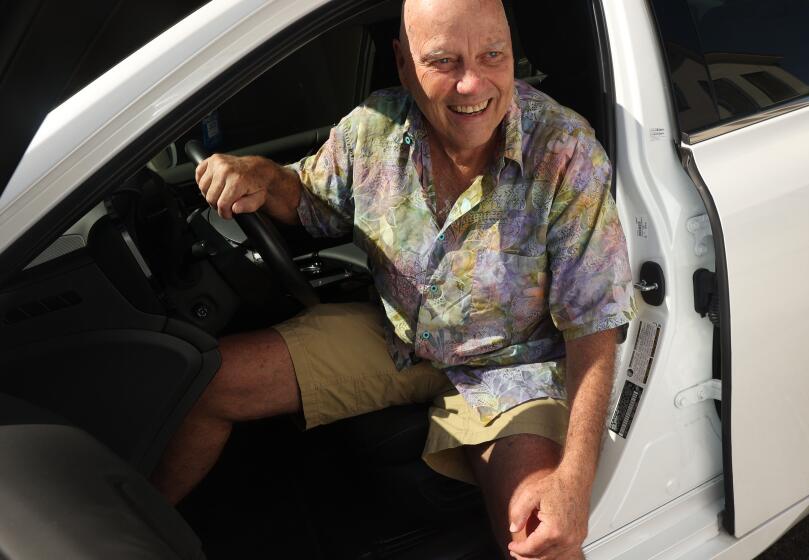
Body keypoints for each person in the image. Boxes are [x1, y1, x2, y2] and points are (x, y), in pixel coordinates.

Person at [151, 0, 635, 557]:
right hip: (399, 337)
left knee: (540, 540)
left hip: (515, 369)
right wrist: (261, 176)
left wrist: (573, 479)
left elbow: (593, 328)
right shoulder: (374, 129)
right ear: (404, 64)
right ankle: (131, 535)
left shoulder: (564, 150)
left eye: (492, 55)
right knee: (207, 381)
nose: (471, 83)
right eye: (444, 61)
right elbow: (311, 199)